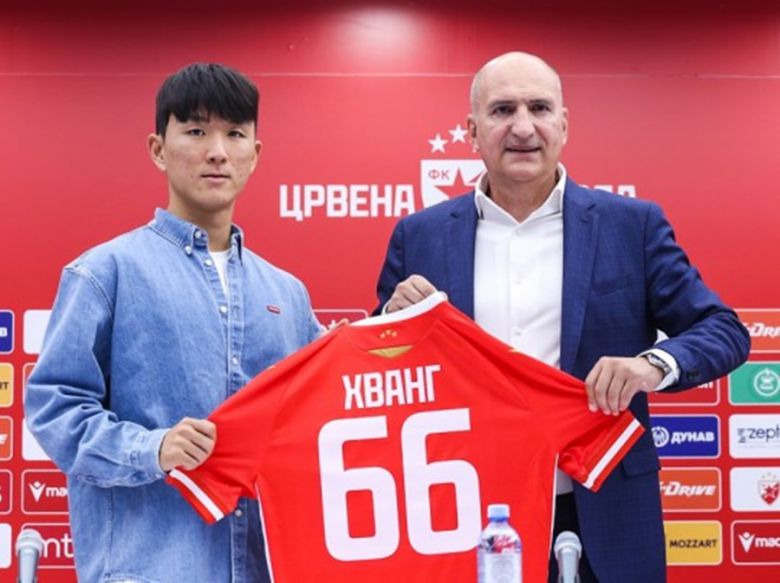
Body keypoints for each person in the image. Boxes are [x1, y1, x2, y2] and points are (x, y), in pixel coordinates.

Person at [375, 51, 750, 582]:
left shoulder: (632, 226)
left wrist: (651, 365)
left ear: (564, 124)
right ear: (472, 131)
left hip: (602, 509)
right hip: (460, 511)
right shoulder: (420, 236)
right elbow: (378, 366)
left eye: (539, 108)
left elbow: (724, 331)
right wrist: (388, 323)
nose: (523, 127)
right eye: (502, 110)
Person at [25, 63, 321, 582]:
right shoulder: (105, 272)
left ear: (256, 153)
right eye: (196, 131)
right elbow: (55, 408)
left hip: (264, 568)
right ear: (158, 149)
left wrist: (397, 327)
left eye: (235, 134)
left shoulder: (287, 294)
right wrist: (152, 449)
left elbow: (328, 412)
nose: (217, 151)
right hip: (149, 569)